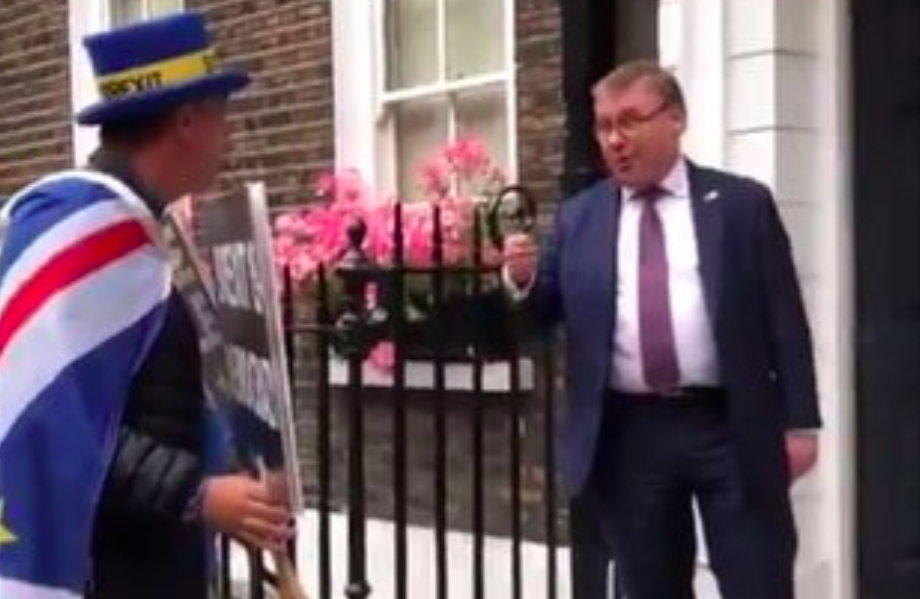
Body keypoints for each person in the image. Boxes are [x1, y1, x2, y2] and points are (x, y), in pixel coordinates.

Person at [504, 60, 822, 599]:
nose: (614, 140)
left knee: (758, 578)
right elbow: (539, 315)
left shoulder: (742, 205)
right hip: (631, 435)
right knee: (649, 585)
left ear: (675, 118)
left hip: (729, 423)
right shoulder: (580, 217)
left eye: (630, 121)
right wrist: (521, 281)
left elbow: (783, 317)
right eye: (604, 125)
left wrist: (800, 423)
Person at [0, 12, 292, 599]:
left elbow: (151, 402)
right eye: (222, 115)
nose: (229, 135)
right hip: (111, 569)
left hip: (153, 560)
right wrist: (198, 495)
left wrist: (228, 461)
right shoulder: (87, 231)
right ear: (186, 120)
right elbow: (50, 416)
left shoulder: (139, 226)